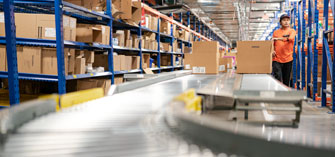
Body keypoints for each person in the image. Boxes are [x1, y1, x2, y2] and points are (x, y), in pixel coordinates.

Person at [272, 14, 296, 87]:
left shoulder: (292, 31)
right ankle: (278, 93)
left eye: (288, 20)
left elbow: (291, 38)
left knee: (286, 80)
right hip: (277, 58)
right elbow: (272, 42)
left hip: (288, 58)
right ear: (280, 22)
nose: (286, 22)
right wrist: (272, 50)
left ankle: (285, 95)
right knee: (277, 77)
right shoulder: (276, 32)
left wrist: (279, 39)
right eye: (284, 20)